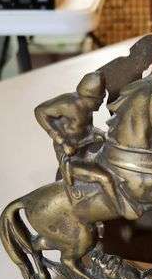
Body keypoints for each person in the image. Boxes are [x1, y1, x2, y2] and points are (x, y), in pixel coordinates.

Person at [34, 71, 126, 216]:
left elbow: (87, 128)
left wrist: (101, 134)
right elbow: (40, 111)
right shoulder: (69, 104)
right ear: (88, 97)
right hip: (71, 154)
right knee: (105, 178)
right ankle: (121, 208)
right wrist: (60, 139)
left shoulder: (87, 107)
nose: (101, 103)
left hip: (87, 143)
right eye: (99, 100)